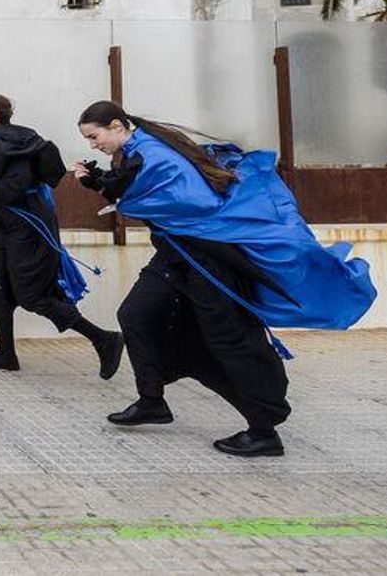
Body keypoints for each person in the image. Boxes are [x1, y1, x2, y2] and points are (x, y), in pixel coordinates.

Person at [72, 100, 291, 457]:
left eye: (94, 137)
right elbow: (135, 189)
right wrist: (100, 180)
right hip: (176, 255)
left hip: (206, 255)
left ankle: (264, 429)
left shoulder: (152, 153)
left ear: (116, 125)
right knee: (135, 315)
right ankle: (152, 401)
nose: (93, 145)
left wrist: (104, 185)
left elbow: (176, 200)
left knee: (226, 338)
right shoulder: (137, 153)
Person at [0, 93, 123, 377]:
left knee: (32, 296)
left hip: (27, 231)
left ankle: (104, 339)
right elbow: (1, 190)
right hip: (4, 228)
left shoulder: (11, 144)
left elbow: (8, 190)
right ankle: (6, 353)